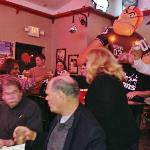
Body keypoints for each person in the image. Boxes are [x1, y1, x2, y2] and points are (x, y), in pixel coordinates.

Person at [13, 75, 106, 150]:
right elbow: (55, 141)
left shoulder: (90, 132)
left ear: (60, 95)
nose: (46, 98)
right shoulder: (61, 116)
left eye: (48, 94)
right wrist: (32, 135)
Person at [85, 48, 140, 150]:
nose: (86, 64)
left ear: (94, 62)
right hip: (125, 135)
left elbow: (102, 114)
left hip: (117, 139)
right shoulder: (110, 77)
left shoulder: (102, 80)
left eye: (88, 61)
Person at [78, 6, 150, 68]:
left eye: (131, 15)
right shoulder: (110, 32)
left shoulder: (139, 39)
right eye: (125, 13)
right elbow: (81, 60)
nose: (125, 17)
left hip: (129, 75)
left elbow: (146, 65)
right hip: (113, 71)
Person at [0, 75, 42, 148]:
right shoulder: (1, 106)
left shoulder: (31, 107)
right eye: (7, 93)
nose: (11, 97)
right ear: (2, 96)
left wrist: (9, 142)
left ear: (21, 93)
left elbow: (36, 140)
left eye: (14, 92)